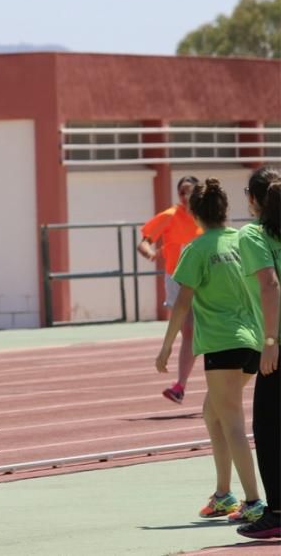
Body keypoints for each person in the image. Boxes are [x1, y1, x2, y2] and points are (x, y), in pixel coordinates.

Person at [155, 179, 263, 524]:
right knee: (212, 414)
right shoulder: (243, 240)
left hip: (223, 343)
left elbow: (182, 303)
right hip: (252, 343)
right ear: (225, 210)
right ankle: (223, 494)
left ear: (195, 214)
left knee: (231, 422)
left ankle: (253, 501)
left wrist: (167, 346)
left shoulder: (197, 249)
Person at [235, 166, 281, 539]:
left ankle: (278, 510)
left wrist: (269, 341)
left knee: (268, 427)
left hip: (278, 345)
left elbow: (269, 284)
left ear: (253, 199)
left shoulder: (252, 234)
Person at [139, 176, 202, 403]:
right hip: (177, 278)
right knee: (189, 330)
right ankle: (180, 386)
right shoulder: (170, 216)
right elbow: (145, 240)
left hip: (204, 279)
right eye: (182, 192)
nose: (185, 197)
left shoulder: (205, 216)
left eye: (190, 192)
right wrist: (149, 252)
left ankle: (216, 381)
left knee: (198, 330)